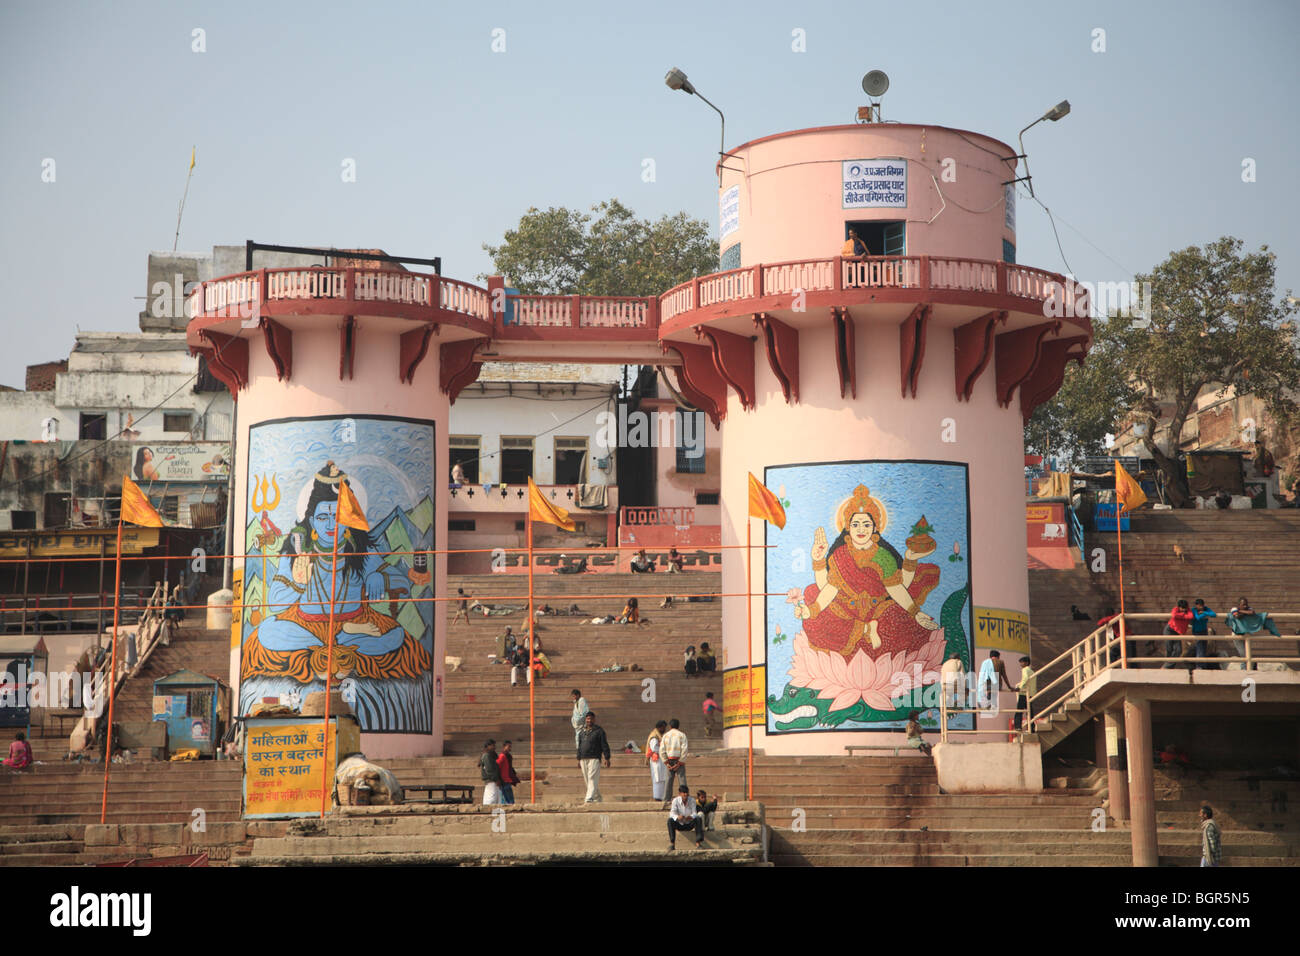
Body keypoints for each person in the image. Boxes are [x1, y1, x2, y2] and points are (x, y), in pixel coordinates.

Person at [1228, 598, 1281, 667]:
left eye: (1246, 604)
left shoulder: (1248, 608)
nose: (1245, 606)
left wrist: (1241, 611)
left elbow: (1252, 612)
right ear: (1239, 605)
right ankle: (1244, 668)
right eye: (1243, 605)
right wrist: (1244, 613)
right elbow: (1237, 616)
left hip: (1247, 634)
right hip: (1237, 635)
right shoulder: (1234, 608)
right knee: (1243, 654)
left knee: (1248, 654)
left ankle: (1247, 668)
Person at [576, 711, 611, 803]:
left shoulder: (599, 731)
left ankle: (589, 798)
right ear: (585, 720)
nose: (589, 720)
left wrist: (607, 757)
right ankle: (598, 798)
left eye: (591, 718)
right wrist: (578, 758)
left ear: (594, 720)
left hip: (594, 757)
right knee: (587, 779)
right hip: (583, 758)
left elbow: (604, 745)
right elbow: (579, 745)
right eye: (587, 719)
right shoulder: (581, 732)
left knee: (592, 777)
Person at [660, 718, 689, 806]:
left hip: (669, 760)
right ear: (678, 726)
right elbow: (685, 749)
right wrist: (679, 763)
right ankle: (685, 798)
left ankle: (666, 799)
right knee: (682, 780)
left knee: (668, 780)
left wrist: (666, 763)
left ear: (670, 726)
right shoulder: (682, 735)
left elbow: (662, 750)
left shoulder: (665, 735)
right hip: (679, 760)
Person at [666, 784, 705, 851]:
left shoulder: (692, 800)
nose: (685, 795)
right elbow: (672, 813)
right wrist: (678, 817)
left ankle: (698, 844)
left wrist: (691, 817)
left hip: (689, 823)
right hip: (679, 824)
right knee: (670, 821)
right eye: (684, 793)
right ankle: (672, 844)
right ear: (680, 794)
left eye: (686, 793)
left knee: (698, 818)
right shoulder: (675, 801)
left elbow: (694, 812)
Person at [1163, 600, 1194, 668]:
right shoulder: (1175, 609)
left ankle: (1167, 666)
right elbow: (1174, 615)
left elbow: (1191, 616)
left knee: (1178, 650)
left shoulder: (1188, 610)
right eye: (1182, 608)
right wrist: (1184, 615)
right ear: (1179, 607)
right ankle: (1168, 666)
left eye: (1185, 608)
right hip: (1169, 630)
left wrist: (1180, 616)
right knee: (1169, 649)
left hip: (1177, 632)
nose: (1183, 610)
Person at [1190, 599, 1217, 669]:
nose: (1201, 607)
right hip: (1196, 631)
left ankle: (1203, 666)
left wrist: (1204, 612)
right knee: (1199, 648)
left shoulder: (1206, 609)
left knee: (1204, 648)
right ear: (1196, 605)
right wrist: (1204, 614)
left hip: (1204, 630)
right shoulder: (1194, 610)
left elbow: (1213, 614)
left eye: (1202, 605)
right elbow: (1197, 617)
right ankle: (1199, 666)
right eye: (1199, 606)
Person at [645, 720, 668, 802]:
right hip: (656, 761)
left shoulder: (659, 735)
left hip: (660, 761)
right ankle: (657, 796)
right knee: (657, 779)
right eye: (663, 728)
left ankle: (661, 796)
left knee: (661, 779)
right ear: (660, 727)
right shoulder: (654, 736)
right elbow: (654, 748)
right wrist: (664, 750)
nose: (664, 729)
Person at [1014, 656, 1036, 731]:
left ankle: (1018, 726)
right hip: (1031, 694)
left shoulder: (1025, 669)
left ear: (1026, 663)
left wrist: (1019, 687)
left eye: (1022, 662)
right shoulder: (1032, 671)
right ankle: (1032, 727)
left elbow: (1025, 678)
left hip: (1024, 694)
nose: (1021, 664)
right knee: (1029, 712)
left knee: (1019, 710)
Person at [497, 740, 520, 805]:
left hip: (507, 779)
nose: (510, 748)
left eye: (510, 747)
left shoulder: (507, 756)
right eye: (508, 746)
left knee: (508, 799)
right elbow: (497, 765)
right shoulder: (502, 756)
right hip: (504, 780)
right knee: (508, 799)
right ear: (504, 747)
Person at [480, 740, 503, 805]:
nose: (494, 747)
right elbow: (489, 770)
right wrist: (496, 780)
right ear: (488, 746)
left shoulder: (492, 755)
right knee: (491, 799)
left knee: (497, 799)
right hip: (491, 780)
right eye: (493, 745)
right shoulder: (487, 756)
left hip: (494, 780)